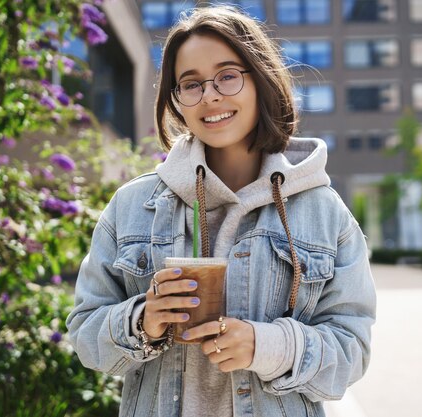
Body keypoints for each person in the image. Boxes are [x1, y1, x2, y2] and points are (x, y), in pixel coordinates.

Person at [66, 6, 376, 417]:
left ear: (260, 78)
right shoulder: (132, 206)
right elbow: (85, 334)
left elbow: (352, 350)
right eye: (190, 84)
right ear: (176, 99)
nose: (209, 95)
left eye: (227, 75)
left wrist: (265, 345)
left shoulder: (323, 212)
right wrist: (144, 320)